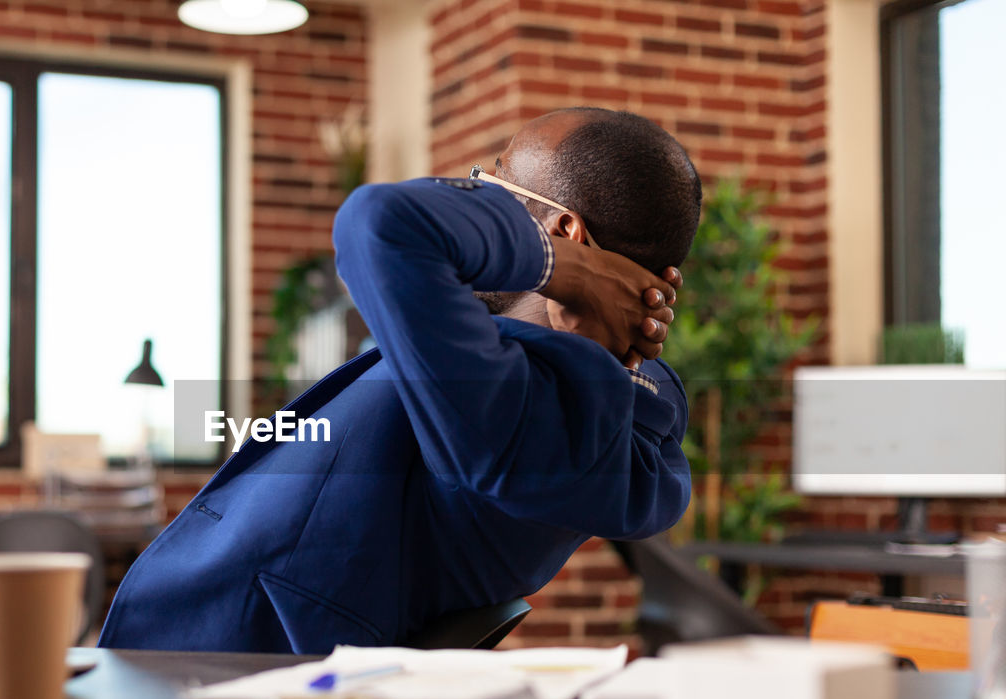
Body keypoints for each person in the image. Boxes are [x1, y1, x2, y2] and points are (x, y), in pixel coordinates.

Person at [99, 107, 701, 653]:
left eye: (493, 186)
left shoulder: (530, 398)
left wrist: (554, 266)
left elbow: (379, 222)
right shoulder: (601, 396)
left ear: (564, 233)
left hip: (221, 675)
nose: (474, 194)